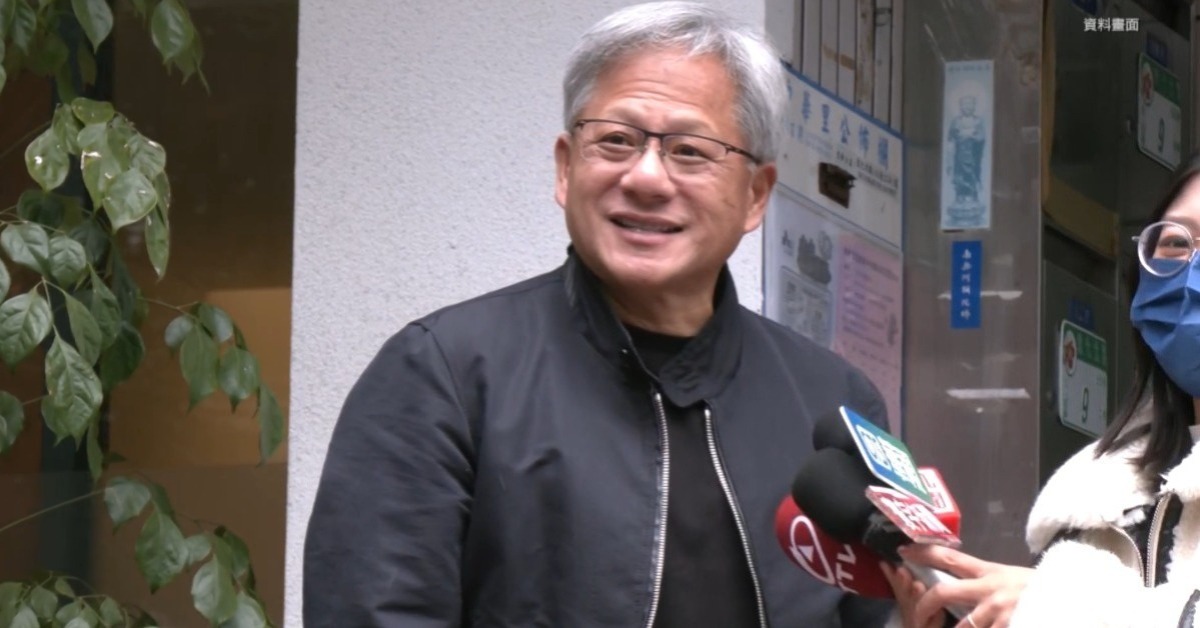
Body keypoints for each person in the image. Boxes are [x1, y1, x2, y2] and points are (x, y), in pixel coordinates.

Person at [304, 2, 896, 626]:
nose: (646, 178)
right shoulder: (444, 374)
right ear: (566, 168)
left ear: (755, 195)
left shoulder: (832, 401)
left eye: (690, 150)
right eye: (616, 140)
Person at [884, 154, 1200, 628]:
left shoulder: (1061, 598)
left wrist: (1070, 611)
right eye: (1175, 242)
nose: (1192, 273)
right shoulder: (1097, 500)